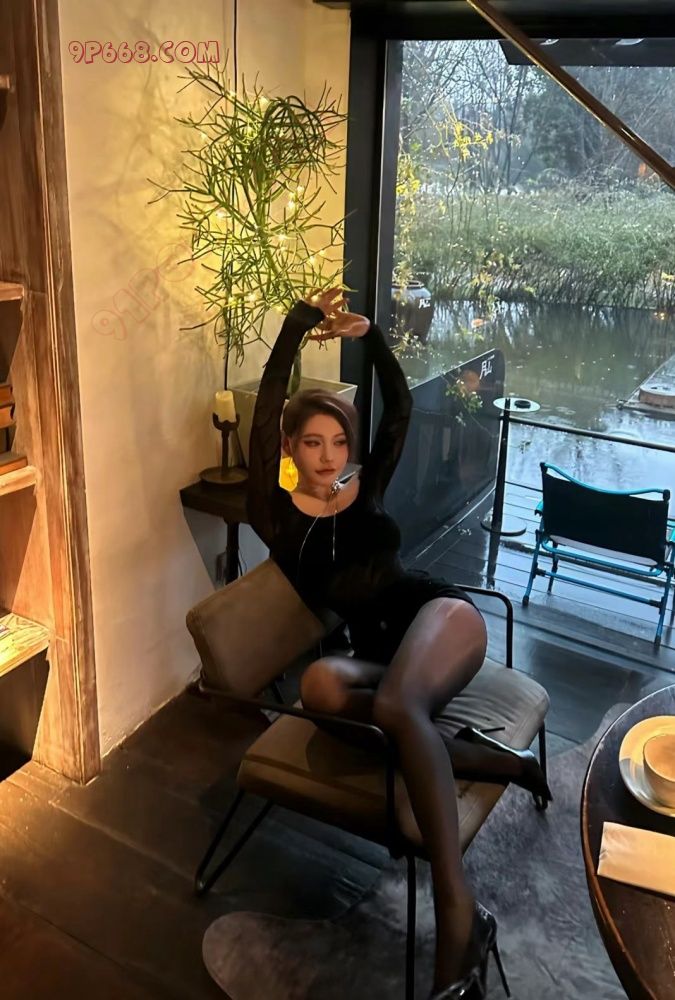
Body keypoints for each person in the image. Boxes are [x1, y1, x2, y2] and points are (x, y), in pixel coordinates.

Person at [247, 288, 550, 1000]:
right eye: (312, 442)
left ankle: (456, 912)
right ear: (289, 448)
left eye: (339, 442)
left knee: (393, 705)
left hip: (438, 617)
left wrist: (373, 338)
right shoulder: (275, 515)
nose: (329, 456)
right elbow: (263, 412)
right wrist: (294, 325)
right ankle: (496, 759)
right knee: (319, 686)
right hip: (377, 658)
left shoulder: (367, 486)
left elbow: (402, 407)